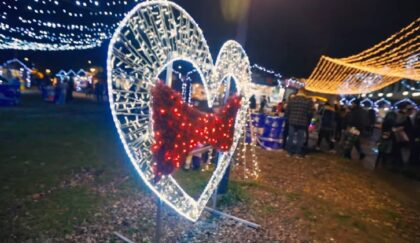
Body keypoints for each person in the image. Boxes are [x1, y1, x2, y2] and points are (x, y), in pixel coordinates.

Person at [285, 88, 314, 158]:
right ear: (305, 93)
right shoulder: (308, 101)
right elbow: (310, 113)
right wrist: (309, 121)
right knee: (300, 139)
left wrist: (289, 118)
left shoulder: (292, 100)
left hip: (292, 121)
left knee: (290, 137)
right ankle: (298, 153)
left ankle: (289, 152)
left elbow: (287, 111)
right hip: (303, 122)